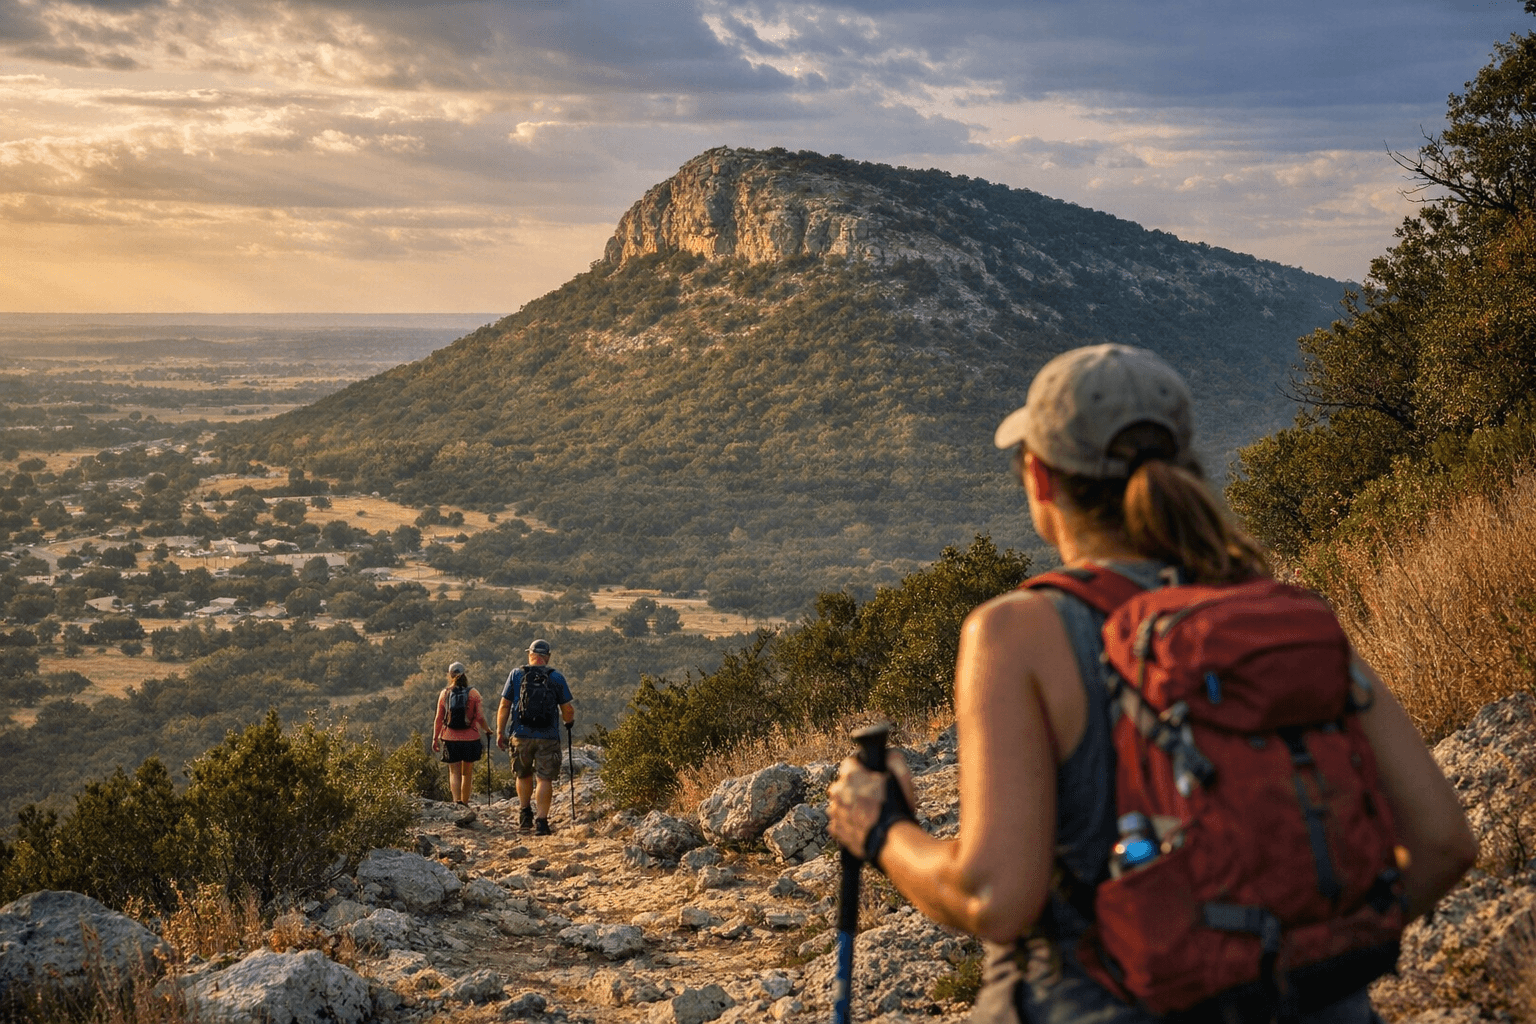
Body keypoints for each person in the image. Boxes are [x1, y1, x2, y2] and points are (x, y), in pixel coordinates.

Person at [827, 344, 1477, 1024]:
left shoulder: (1018, 633)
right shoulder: (1281, 613)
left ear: (1041, 482)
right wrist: (1294, 955)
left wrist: (883, 830)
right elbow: (1442, 844)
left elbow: (993, 898)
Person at [498, 638, 575, 835]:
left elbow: (504, 705)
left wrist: (500, 732)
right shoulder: (556, 677)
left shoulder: (516, 674)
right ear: (547, 657)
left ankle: (525, 815)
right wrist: (568, 723)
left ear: (530, 655)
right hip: (548, 736)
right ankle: (542, 821)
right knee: (544, 778)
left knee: (523, 774)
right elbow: (567, 709)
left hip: (520, 734)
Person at [432, 661, 490, 806]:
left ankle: (456, 801)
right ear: (465, 673)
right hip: (471, 738)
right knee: (467, 772)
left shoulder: (444, 693)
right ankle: (465, 801)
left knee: (454, 772)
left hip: (449, 737)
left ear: (450, 675)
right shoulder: (473, 693)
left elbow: (439, 718)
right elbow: (480, 717)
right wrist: (487, 730)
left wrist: (435, 738)